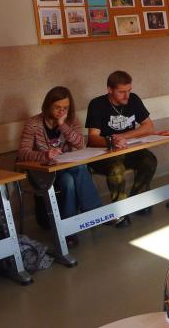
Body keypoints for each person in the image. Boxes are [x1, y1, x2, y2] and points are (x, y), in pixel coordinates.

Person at [18, 87, 102, 247]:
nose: (61, 111)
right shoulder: (33, 124)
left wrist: (62, 125)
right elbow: (23, 153)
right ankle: (95, 212)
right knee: (76, 172)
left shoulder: (71, 121)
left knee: (71, 178)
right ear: (48, 105)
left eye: (65, 108)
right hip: (43, 172)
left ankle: (69, 230)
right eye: (57, 107)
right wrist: (45, 155)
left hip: (66, 168)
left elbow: (81, 145)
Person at [85, 70, 157, 228]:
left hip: (127, 150)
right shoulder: (97, 104)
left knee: (149, 160)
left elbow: (149, 127)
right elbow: (93, 138)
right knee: (116, 169)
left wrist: (123, 136)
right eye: (122, 92)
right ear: (109, 90)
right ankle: (121, 212)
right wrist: (111, 141)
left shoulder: (134, 99)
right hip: (104, 155)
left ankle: (137, 201)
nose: (127, 96)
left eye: (129, 90)